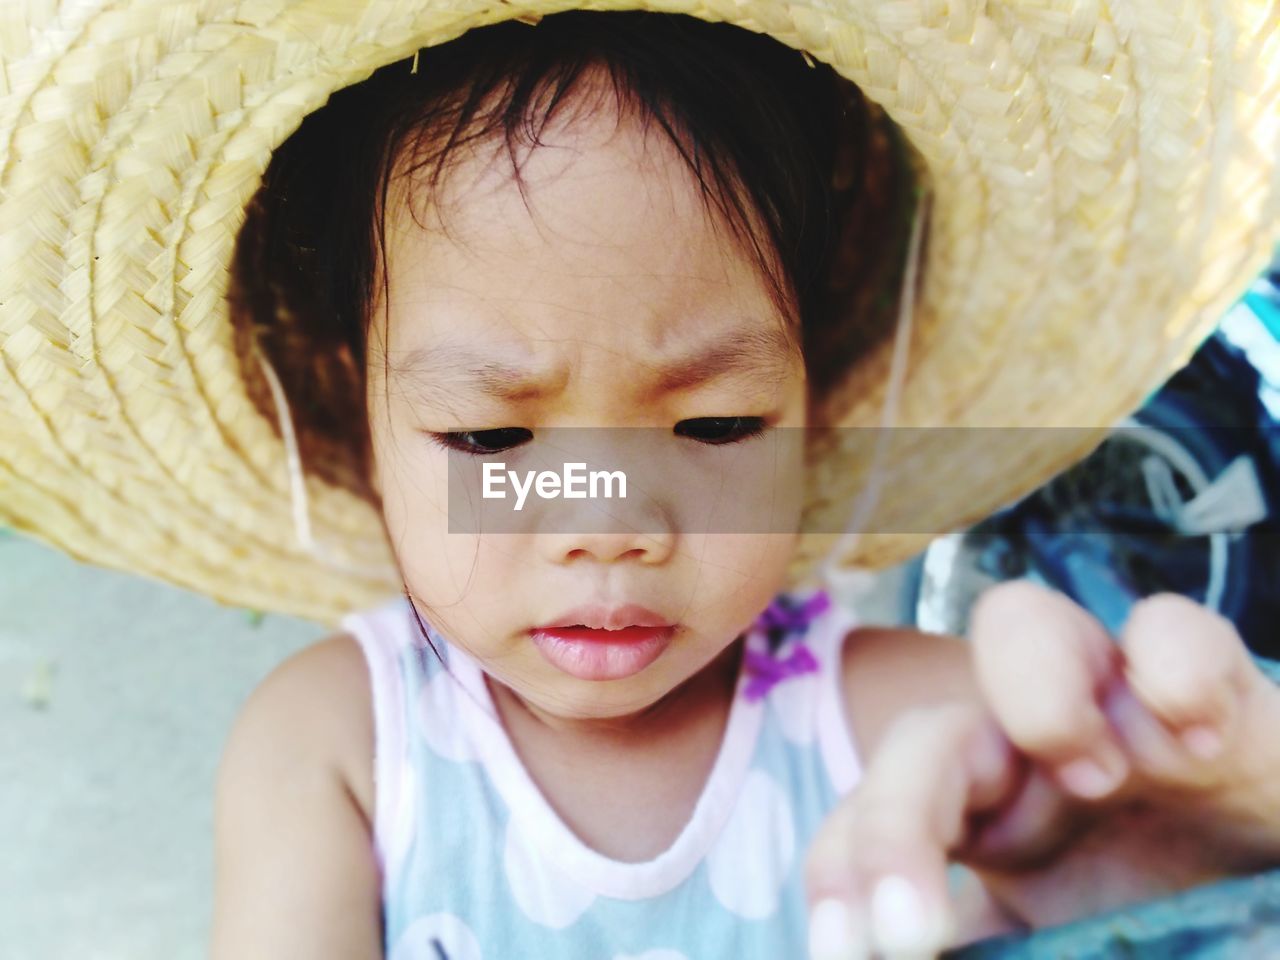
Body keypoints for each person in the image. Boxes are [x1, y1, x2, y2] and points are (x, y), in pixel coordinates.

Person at [2, 5, 1278, 960]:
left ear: (811, 406)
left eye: (716, 424)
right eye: (493, 443)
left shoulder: (914, 738)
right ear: (356, 410)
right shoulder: (333, 751)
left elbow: (1124, 841)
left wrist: (1221, 889)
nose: (610, 528)